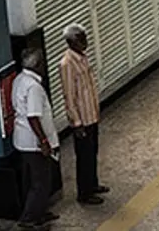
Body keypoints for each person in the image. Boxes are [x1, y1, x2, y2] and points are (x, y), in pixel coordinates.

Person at [60, 24, 109, 206]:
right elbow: (69, 96)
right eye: (81, 39)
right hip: (82, 119)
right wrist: (77, 123)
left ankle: (93, 183)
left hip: (91, 115)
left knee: (92, 152)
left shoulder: (82, 58)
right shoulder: (67, 64)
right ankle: (84, 192)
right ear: (72, 42)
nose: (85, 41)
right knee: (84, 156)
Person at [12, 48, 59, 230]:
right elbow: (33, 116)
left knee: (32, 180)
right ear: (38, 65)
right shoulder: (34, 87)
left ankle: (39, 212)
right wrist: (44, 141)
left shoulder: (19, 80)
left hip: (21, 140)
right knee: (41, 182)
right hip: (33, 144)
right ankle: (29, 217)